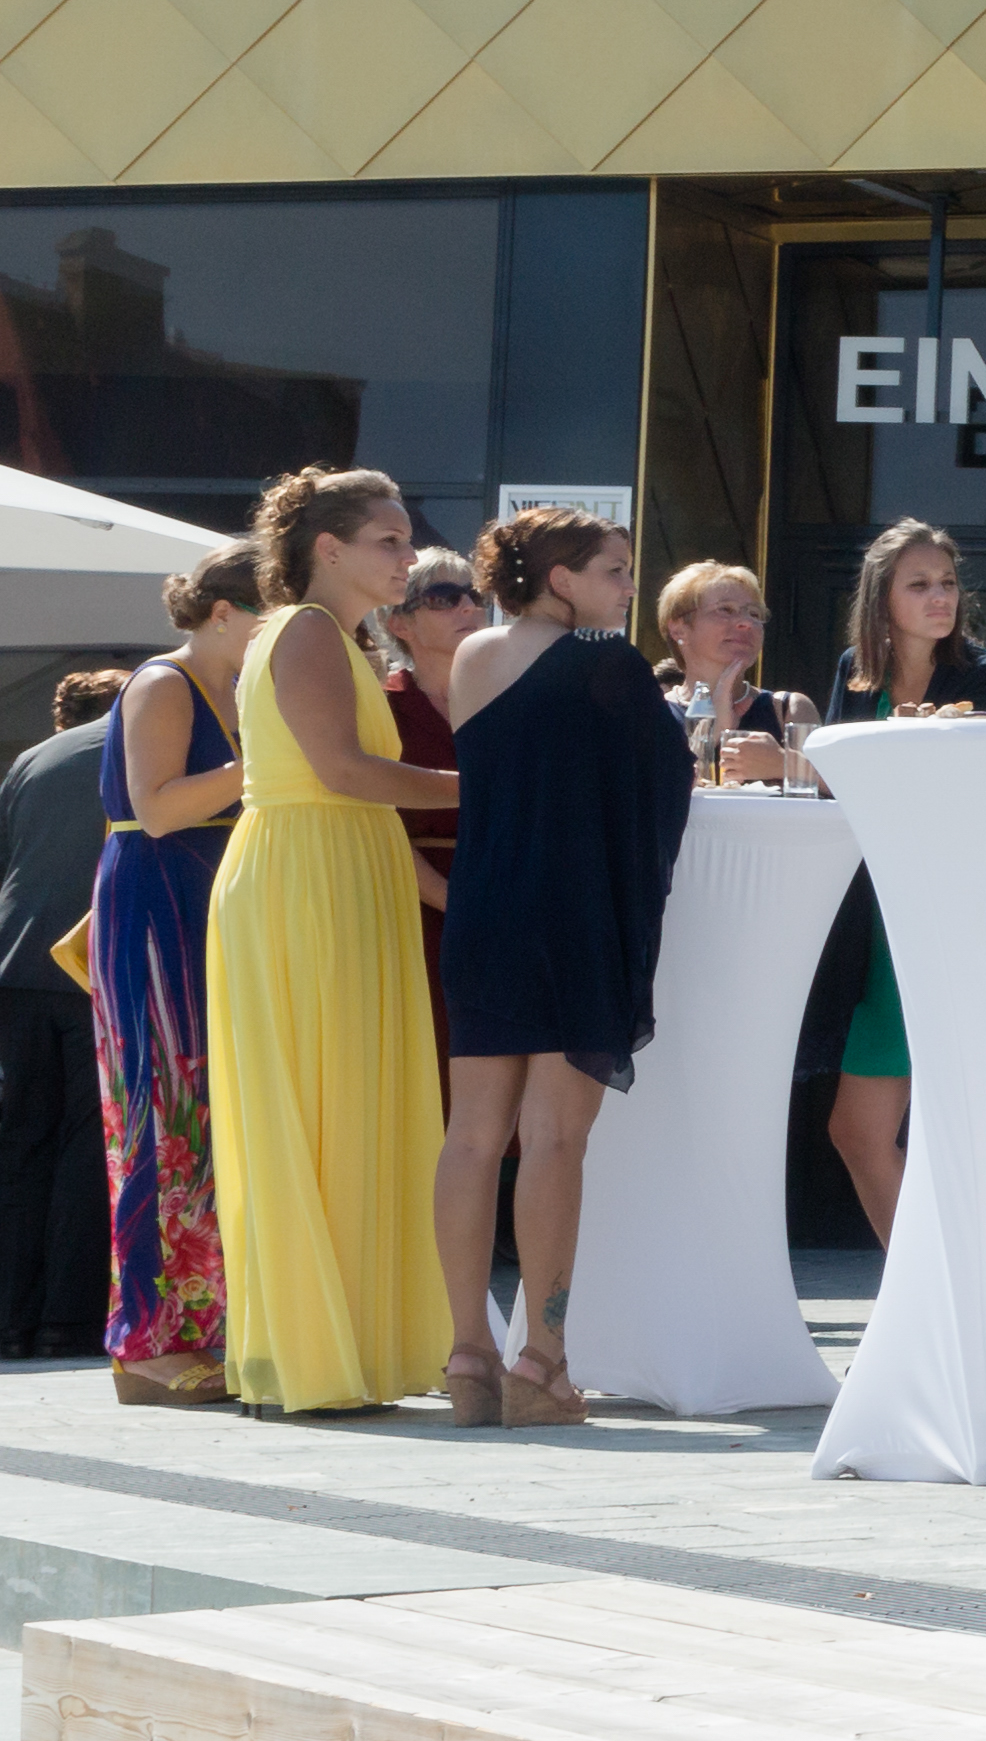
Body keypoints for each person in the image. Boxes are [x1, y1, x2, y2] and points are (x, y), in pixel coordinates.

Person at [430, 507, 694, 1425]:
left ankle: (468, 1355)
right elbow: (663, 784)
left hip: (486, 908)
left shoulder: (470, 656)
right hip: (570, 913)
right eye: (615, 570)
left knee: (470, 1136)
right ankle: (540, 1361)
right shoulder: (609, 666)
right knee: (552, 1138)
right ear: (560, 578)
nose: (627, 587)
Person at [207, 469, 459, 1418]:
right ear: (330, 549)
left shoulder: (339, 636)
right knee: (320, 1103)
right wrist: (486, 783)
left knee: (354, 1100)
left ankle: (349, 1339)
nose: (407, 556)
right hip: (307, 874)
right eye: (390, 542)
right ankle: (314, 1349)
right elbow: (343, 770)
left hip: (343, 869)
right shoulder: (307, 630)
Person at [813, 519, 986, 1244]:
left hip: (945, 914)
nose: (941, 597)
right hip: (871, 917)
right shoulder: (852, 669)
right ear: (882, 596)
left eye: (949, 582)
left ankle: (945, 1301)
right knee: (856, 1129)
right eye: (920, 583)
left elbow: (982, 802)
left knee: (944, 1128)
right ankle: (924, 1298)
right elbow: (839, 787)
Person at [84, 549, 256, 1404]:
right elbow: (154, 807)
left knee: (207, 1115)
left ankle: (203, 1323)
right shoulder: (165, 683)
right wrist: (265, 756)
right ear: (224, 611)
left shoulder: (232, 689)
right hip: (155, 903)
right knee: (159, 1113)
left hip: (206, 899)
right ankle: (145, 1342)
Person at [0, 669, 131, 1358]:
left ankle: (14, 1315)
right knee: (88, 1142)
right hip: (88, 961)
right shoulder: (139, 738)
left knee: (23, 1142)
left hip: (18, 963)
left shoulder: (31, 757)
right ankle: (67, 1317)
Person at [378, 550, 477, 1062]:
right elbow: (380, 824)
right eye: (445, 597)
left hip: (507, 902)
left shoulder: (508, 700)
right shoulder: (380, 706)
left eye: (473, 595)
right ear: (399, 621)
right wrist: (461, 904)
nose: (468, 608)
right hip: (410, 909)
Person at [649, 561, 799, 786]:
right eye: (725, 610)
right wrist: (711, 733)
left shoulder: (786, 709)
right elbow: (649, 795)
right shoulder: (651, 713)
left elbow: (851, 795)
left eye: (754, 613)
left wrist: (784, 764)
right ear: (678, 628)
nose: (746, 623)